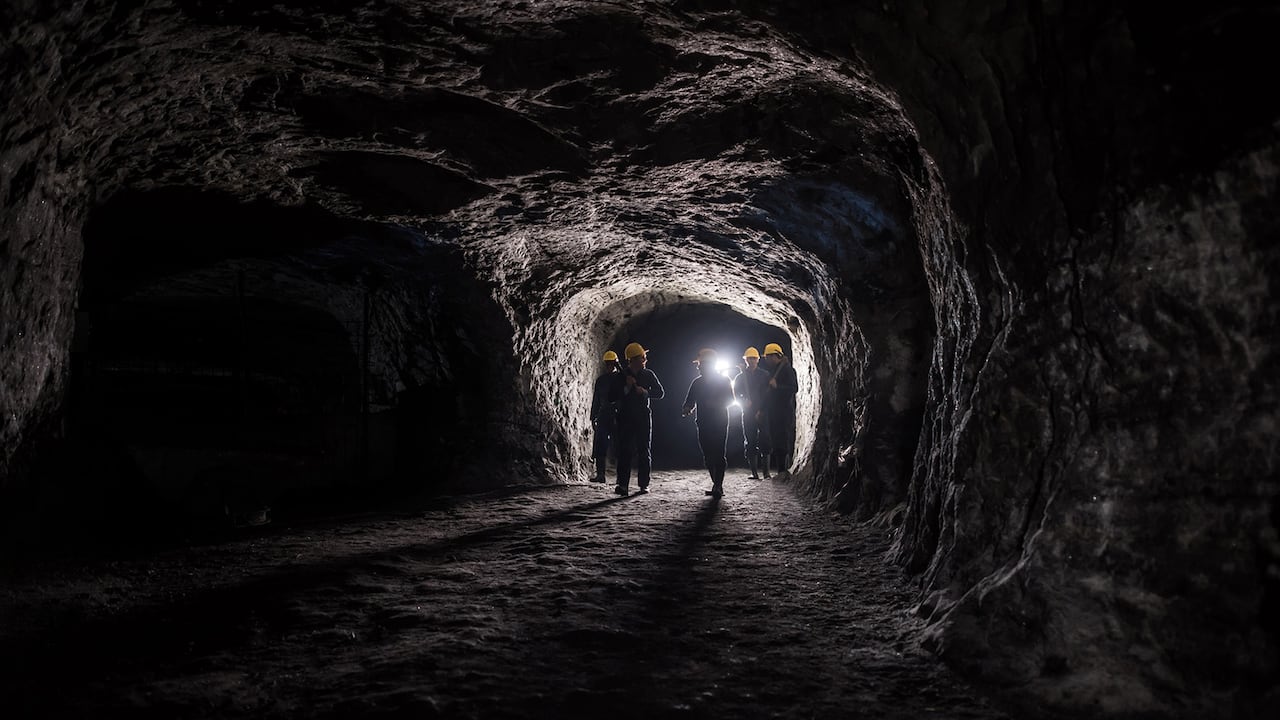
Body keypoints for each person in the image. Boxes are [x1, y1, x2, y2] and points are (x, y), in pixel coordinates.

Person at [609, 342, 665, 495]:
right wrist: (626, 388)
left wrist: (645, 392)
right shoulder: (621, 376)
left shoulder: (648, 375)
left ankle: (644, 484)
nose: (644, 359)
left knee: (643, 450)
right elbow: (611, 396)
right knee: (624, 451)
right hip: (625, 418)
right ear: (633, 359)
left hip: (643, 417)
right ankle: (622, 485)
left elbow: (660, 393)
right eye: (642, 357)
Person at [683, 348, 735, 497]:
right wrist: (687, 408)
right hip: (703, 423)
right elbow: (689, 401)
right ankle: (716, 484)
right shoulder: (697, 383)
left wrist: (717, 403)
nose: (698, 366)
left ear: (708, 364)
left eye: (700, 364)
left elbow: (731, 400)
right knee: (707, 455)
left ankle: (718, 486)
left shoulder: (724, 380)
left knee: (718, 453)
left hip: (719, 422)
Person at [761, 342, 798, 478]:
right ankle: (780, 470)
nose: (766, 360)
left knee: (782, 438)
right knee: (776, 439)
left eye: (767, 357)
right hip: (773, 411)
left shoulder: (787, 370)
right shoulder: (773, 371)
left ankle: (783, 470)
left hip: (783, 411)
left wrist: (778, 386)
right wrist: (763, 409)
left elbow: (793, 388)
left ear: (774, 356)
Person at [735, 346, 773, 479]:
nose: (751, 361)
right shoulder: (740, 377)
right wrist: (743, 401)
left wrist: (761, 410)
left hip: (763, 412)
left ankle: (766, 473)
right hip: (748, 412)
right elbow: (736, 394)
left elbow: (768, 394)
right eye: (749, 358)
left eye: (753, 358)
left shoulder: (765, 375)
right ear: (746, 360)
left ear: (758, 360)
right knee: (750, 440)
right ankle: (754, 473)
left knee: (765, 439)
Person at [589, 350, 621, 483]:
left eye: (611, 363)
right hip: (603, 415)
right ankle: (600, 475)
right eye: (607, 364)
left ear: (615, 363)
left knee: (619, 445)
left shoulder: (621, 378)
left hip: (618, 415)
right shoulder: (601, 380)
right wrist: (593, 417)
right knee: (600, 445)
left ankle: (621, 476)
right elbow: (596, 399)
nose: (609, 366)